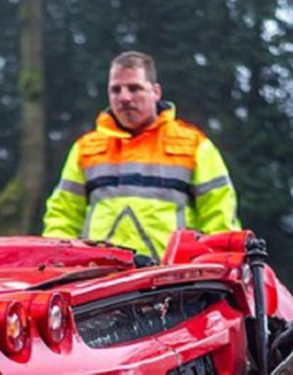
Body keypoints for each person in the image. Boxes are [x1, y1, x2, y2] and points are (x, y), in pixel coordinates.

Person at [42, 51, 241, 263]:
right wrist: (54, 263)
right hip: (98, 284)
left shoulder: (195, 146)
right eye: (115, 90)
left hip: (175, 283)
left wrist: (221, 271)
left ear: (156, 92)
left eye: (134, 88)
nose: (125, 97)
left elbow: (219, 221)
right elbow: (62, 218)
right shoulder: (85, 148)